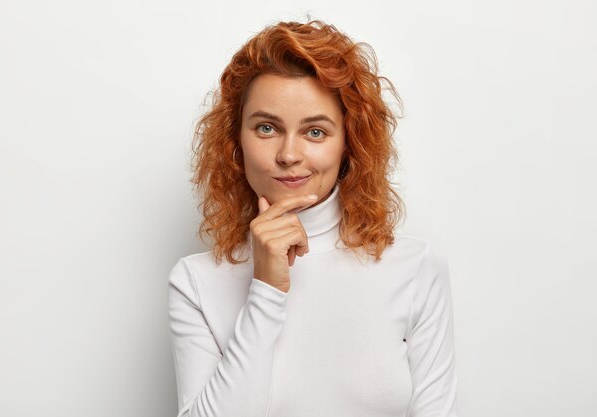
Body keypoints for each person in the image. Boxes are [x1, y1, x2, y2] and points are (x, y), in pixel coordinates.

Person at [168, 19, 459, 417]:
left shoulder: (416, 270)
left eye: (316, 132)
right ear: (236, 140)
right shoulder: (196, 282)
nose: (289, 154)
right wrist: (267, 288)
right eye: (267, 127)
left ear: (349, 143)